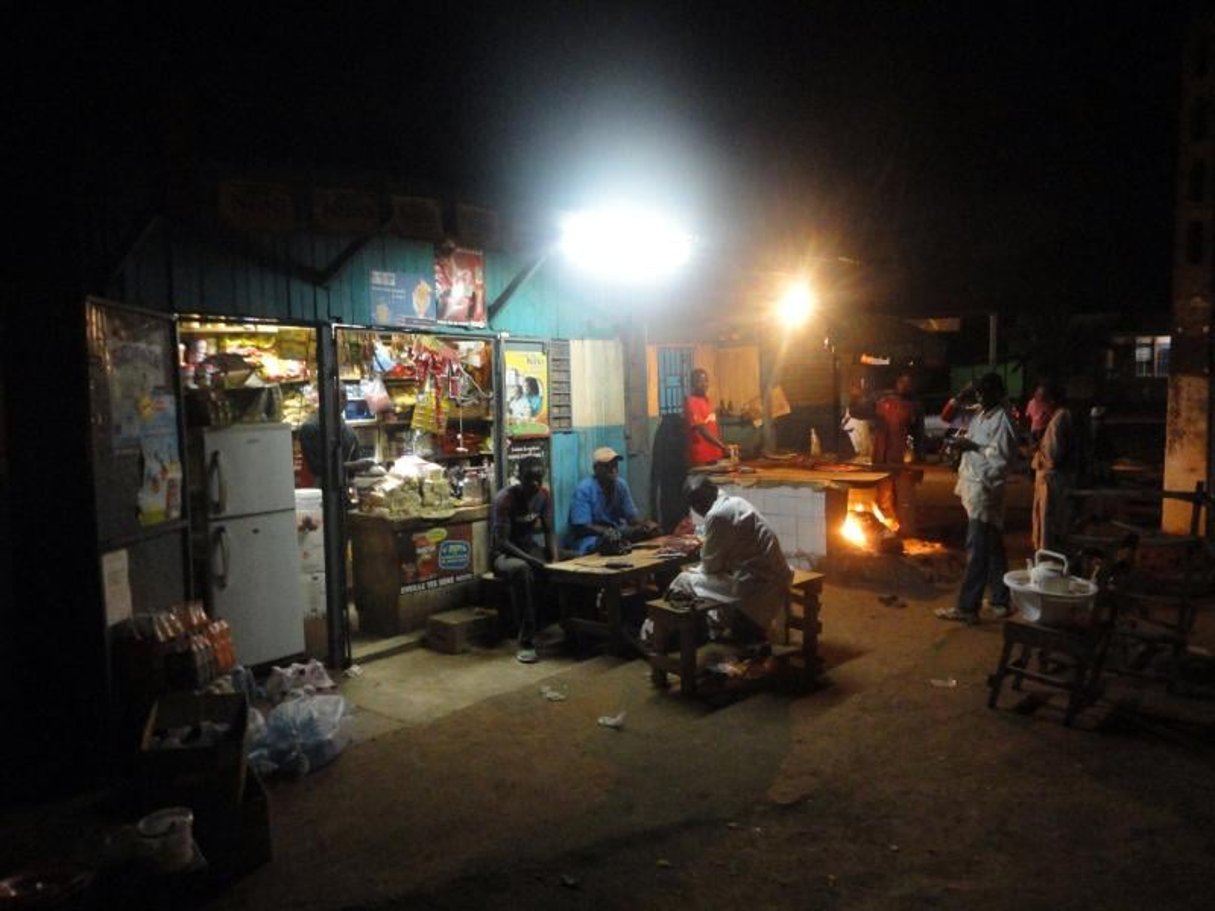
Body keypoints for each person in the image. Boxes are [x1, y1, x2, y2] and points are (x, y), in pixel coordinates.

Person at [666, 474, 792, 644]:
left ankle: (658, 635)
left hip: (756, 586)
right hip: (774, 577)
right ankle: (711, 630)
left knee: (684, 579)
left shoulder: (717, 514)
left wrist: (701, 555)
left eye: (697, 504)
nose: (697, 509)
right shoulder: (736, 502)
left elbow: (710, 566)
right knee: (714, 585)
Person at [936, 372, 1018, 625]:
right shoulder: (982, 414)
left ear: (997, 393)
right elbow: (946, 417)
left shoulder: (1002, 419)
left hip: (986, 489)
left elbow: (1001, 459)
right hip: (975, 488)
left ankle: (967, 607)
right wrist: (961, 396)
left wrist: (972, 447)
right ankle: (1000, 600)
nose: (980, 397)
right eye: (979, 392)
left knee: (977, 549)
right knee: (993, 547)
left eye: (985, 392)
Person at [491, 456, 558, 663]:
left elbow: (549, 531)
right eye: (530, 479)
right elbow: (501, 542)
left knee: (570, 560)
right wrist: (532, 560)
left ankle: (562, 624)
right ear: (519, 477)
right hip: (505, 555)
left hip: (529, 549)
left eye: (539, 479)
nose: (535, 484)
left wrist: (554, 559)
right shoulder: (505, 499)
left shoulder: (544, 495)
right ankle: (526, 640)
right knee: (522, 570)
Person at [568, 447, 660, 554]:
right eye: (608, 466)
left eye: (615, 465)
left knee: (649, 532)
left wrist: (646, 525)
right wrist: (606, 531)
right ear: (596, 468)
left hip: (618, 533)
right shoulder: (584, 489)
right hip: (592, 538)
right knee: (611, 542)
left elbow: (632, 518)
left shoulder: (621, 485)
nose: (613, 469)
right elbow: (581, 526)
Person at [871, 371, 925, 533]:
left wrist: (919, 457)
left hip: (902, 455)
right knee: (883, 493)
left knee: (903, 495)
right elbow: (857, 411)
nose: (905, 386)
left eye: (908, 383)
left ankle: (904, 529)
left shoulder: (915, 406)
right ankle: (887, 526)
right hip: (883, 455)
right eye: (902, 382)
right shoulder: (883, 401)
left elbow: (919, 433)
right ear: (897, 383)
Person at [1030, 383, 1076, 552]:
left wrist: (1035, 456)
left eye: (1039, 400)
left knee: (1050, 529)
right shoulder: (1057, 418)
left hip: (1053, 483)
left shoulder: (1060, 419)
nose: (1037, 405)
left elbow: (1052, 457)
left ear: (1050, 400)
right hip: (1050, 482)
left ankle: (1050, 562)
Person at [297, 387, 373, 487]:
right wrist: (352, 466)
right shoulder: (310, 428)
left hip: (341, 490)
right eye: (337, 397)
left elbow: (353, 471)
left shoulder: (349, 431)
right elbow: (317, 467)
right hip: (317, 492)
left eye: (344, 396)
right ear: (324, 399)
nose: (342, 401)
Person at [684, 367, 729, 466]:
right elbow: (702, 430)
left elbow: (712, 427)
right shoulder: (691, 402)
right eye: (699, 381)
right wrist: (723, 447)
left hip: (715, 454)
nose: (704, 384)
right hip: (702, 457)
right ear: (693, 384)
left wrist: (721, 449)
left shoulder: (707, 401)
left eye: (706, 381)